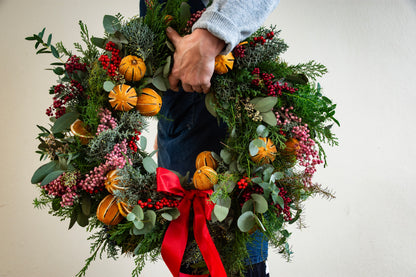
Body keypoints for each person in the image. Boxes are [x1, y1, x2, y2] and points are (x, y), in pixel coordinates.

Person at [141, 0, 280, 276]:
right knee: (193, 261)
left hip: (226, 119)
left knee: (235, 258)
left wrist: (211, 35)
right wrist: (167, 120)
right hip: (177, 128)